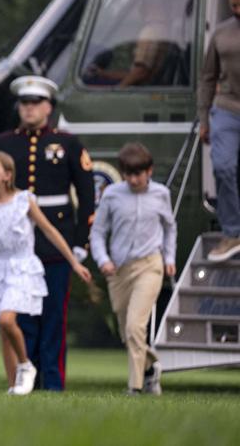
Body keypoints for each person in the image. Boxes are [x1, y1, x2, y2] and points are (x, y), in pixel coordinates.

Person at [0, 75, 95, 391]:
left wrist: (80, 241)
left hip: (56, 240)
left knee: (53, 315)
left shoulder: (67, 143)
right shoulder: (5, 144)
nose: (29, 108)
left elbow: (87, 194)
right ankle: (28, 378)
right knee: (23, 314)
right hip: (19, 243)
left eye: (36, 103)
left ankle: (53, 381)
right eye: (24, 103)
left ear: (49, 107)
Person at [0, 150, 93, 395]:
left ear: (7, 174)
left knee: (7, 319)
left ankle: (26, 365)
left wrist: (74, 262)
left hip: (23, 267)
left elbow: (49, 231)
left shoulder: (23, 201)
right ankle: (13, 387)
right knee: (4, 332)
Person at [90, 142, 176, 396]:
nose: (133, 180)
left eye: (138, 174)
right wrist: (102, 259)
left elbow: (170, 227)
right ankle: (150, 369)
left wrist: (169, 257)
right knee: (125, 332)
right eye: (128, 174)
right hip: (119, 270)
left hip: (150, 265)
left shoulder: (161, 194)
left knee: (135, 327)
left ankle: (135, 387)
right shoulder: (112, 195)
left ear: (149, 171)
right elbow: (98, 232)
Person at [198, 0, 240, 263]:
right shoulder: (221, 33)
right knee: (223, 167)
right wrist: (204, 118)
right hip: (226, 108)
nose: (237, 9)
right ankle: (233, 233)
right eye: (234, 5)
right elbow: (207, 77)